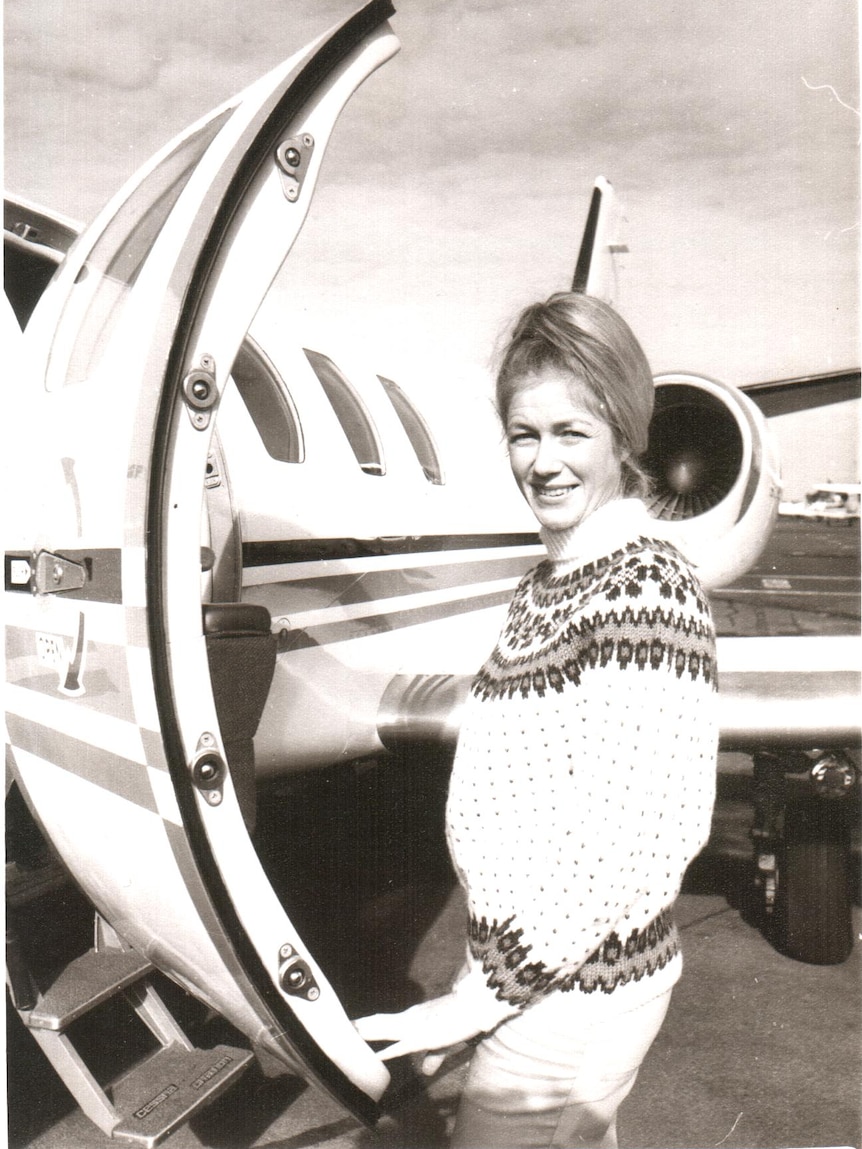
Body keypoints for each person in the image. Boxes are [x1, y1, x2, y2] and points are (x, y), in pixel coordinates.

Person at [356, 292, 718, 1148]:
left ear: (625, 439)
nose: (543, 461)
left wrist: (478, 1000)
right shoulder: (546, 585)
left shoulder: (645, 587)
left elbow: (635, 834)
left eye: (571, 432)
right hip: (541, 974)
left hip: (584, 989)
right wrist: (488, 969)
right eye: (525, 433)